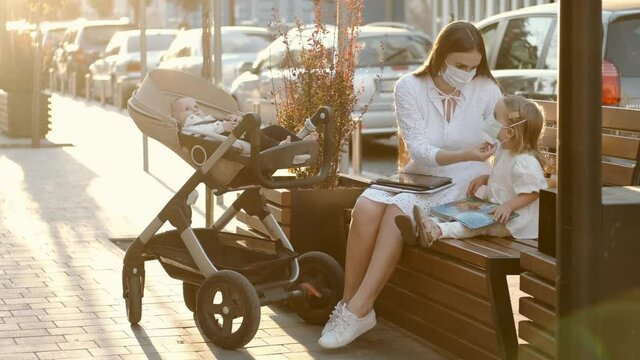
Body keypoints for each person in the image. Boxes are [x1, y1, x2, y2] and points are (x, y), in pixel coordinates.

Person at [317, 21, 503, 349]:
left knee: (397, 210)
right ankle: (348, 308)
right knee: (364, 206)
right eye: (460, 65)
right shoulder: (409, 87)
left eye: (474, 66)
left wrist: (491, 173)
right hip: (421, 171)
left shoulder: (486, 88)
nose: (467, 73)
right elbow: (419, 150)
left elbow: (503, 139)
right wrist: (462, 150)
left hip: (468, 176)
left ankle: (361, 307)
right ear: (441, 56)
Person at [412, 95, 548, 245]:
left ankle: (437, 231)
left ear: (509, 132)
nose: (490, 120)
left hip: (513, 222)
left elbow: (534, 192)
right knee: (465, 212)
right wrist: (485, 179)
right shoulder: (505, 150)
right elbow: (508, 179)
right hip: (495, 210)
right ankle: (427, 224)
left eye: (495, 116)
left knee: (475, 226)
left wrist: (509, 206)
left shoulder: (525, 161)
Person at [171, 97, 317, 151]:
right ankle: (279, 148)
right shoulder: (188, 128)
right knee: (256, 134)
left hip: (236, 135)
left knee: (274, 129)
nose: (194, 110)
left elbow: (215, 126)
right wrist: (221, 126)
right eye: (186, 110)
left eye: (195, 106)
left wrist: (233, 120)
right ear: (178, 118)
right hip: (231, 140)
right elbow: (202, 131)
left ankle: (300, 143)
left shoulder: (208, 119)